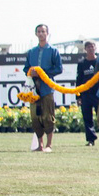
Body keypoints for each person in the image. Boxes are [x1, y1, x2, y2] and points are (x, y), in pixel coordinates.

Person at [24, 23, 63, 153]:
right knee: (35, 117)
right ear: (36, 34)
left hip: (47, 88)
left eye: (43, 31)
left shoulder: (53, 51)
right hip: (33, 89)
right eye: (39, 31)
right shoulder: (31, 52)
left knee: (48, 116)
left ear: (47, 34)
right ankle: (39, 145)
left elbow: (58, 68)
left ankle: (49, 144)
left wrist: (43, 72)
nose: (41, 34)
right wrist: (32, 72)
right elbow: (26, 68)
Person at [76, 40, 99, 146]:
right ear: (85, 49)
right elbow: (79, 80)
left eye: (92, 46)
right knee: (87, 118)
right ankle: (91, 139)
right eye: (88, 47)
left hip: (98, 94)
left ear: (95, 48)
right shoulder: (82, 63)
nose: (91, 49)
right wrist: (78, 96)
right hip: (86, 95)